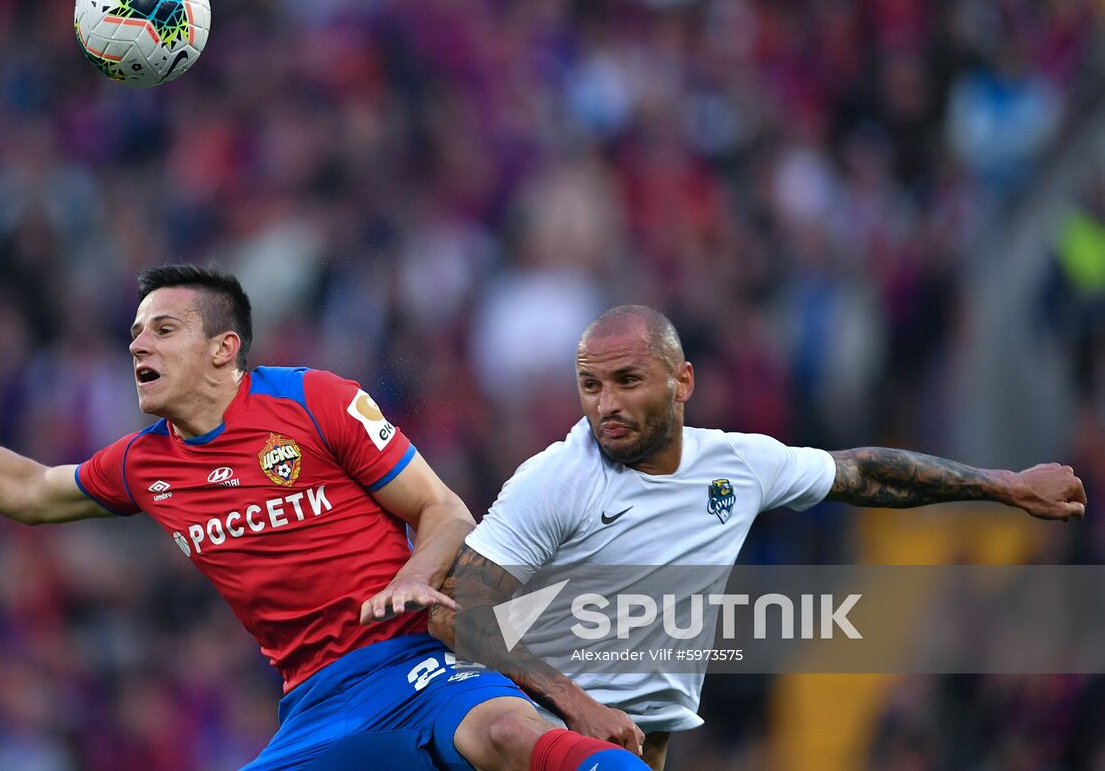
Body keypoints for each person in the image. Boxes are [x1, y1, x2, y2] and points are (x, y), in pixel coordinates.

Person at [0, 264, 649, 771]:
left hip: (414, 661)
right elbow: (30, 489)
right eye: (135, 332)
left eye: (164, 330)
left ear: (224, 348)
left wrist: (409, 578)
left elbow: (444, 510)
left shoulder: (315, 401)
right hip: (316, 710)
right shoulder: (147, 463)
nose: (138, 346)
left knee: (510, 735)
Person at [428, 304, 1088, 771]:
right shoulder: (555, 480)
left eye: (627, 380)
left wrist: (999, 484)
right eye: (591, 385)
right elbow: (456, 608)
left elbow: (865, 475)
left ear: (682, 381)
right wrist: (578, 706)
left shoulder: (736, 466)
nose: (606, 404)